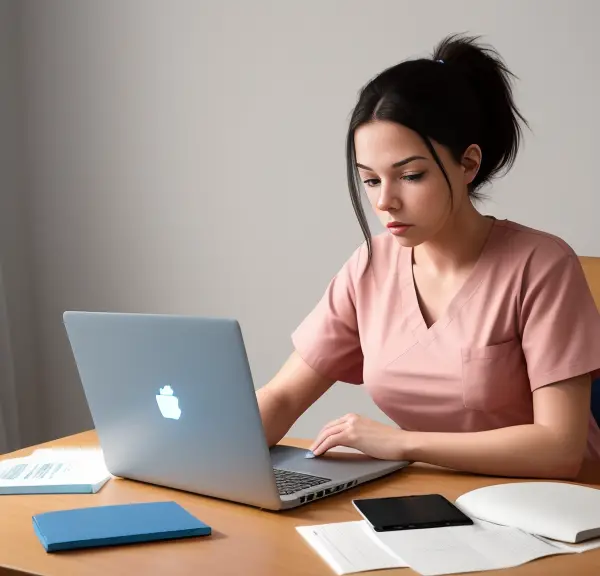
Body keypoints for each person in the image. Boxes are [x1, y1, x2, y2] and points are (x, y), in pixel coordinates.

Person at [257, 34, 600, 480]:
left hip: (561, 510)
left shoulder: (541, 265)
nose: (386, 203)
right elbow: (283, 397)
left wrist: (401, 444)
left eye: (411, 175)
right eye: (372, 181)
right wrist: (195, 447)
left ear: (468, 164)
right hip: (435, 503)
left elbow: (559, 449)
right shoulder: (369, 268)